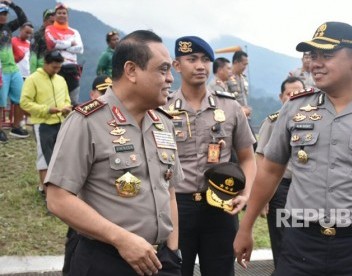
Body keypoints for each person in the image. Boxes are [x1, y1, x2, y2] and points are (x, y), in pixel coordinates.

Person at [234, 21, 352, 275]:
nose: (315, 63)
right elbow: (270, 171)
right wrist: (246, 227)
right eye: (313, 55)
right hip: (299, 243)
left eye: (327, 55)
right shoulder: (295, 107)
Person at [45, 30, 183, 276]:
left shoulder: (164, 123)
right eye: (162, 70)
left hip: (160, 262)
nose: (170, 79)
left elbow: (169, 191)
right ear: (131, 71)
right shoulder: (87, 121)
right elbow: (58, 198)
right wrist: (121, 239)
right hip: (106, 260)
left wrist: (172, 250)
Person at [166, 36, 256, 276]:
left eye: (206, 60)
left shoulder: (230, 107)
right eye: (192, 59)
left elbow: (248, 157)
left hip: (220, 205)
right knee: (174, 270)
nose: (200, 66)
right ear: (177, 65)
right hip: (176, 207)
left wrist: (245, 194)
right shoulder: (161, 109)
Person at [257, 76, 304, 270]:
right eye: (289, 93)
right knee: (282, 240)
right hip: (281, 188)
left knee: (306, 240)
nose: (294, 97)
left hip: (307, 189)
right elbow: (260, 157)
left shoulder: (319, 118)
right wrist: (262, 197)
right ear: (281, 97)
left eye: (298, 92)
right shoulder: (273, 121)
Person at [19, 50, 71, 195]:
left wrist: (66, 107)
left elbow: (66, 98)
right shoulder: (33, 79)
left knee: (59, 156)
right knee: (44, 158)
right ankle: (47, 194)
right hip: (43, 123)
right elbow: (25, 103)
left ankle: (47, 187)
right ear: (45, 64)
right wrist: (47, 110)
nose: (56, 70)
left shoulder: (60, 79)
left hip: (61, 122)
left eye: (59, 67)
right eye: (54, 67)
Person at [0, 0, 29, 142]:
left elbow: (23, 19)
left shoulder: (8, 27)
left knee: (20, 99)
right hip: (1, 70)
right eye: (1, 14)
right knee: (1, 101)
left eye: (5, 14)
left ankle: (16, 127)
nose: (3, 16)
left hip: (13, 69)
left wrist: (11, 4)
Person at [45, 2, 84, 107]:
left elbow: (80, 49)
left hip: (72, 68)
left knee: (73, 101)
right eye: (59, 13)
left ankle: (72, 123)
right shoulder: (49, 29)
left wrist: (61, 45)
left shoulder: (74, 32)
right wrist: (70, 43)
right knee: (55, 100)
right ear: (55, 15)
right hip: (56, 67)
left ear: (67, 15)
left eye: (64, 13)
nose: (62, 15)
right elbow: (51, 43)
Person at [30, 9, 55, 74]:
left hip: (54, 70)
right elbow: (33, 57)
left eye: (55, 22)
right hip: (41, 70)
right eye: (51, 22)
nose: (54, 24)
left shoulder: (56, 35)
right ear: (44, 21)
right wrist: (33, 75)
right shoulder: (37, 35)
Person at [227, 50, 251, 117]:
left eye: (246, 64)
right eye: (244, 64)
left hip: (244, 116)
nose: (245, 67)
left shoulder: (243, 78)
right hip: (232, 115)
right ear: (236, 62)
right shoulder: (227, 77)